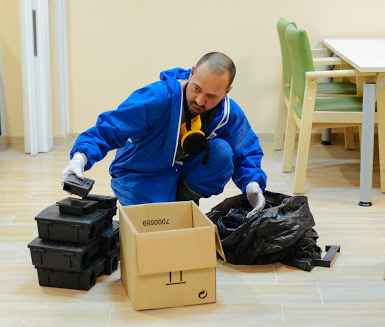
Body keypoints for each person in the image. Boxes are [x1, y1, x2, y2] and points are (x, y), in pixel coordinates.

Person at [61, 52, 267, 218]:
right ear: (192, 73)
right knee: (157, 229)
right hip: (141, 174)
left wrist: (252, 184)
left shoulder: (228, 113)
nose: (200, 101)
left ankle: (183, 200)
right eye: (197, 88)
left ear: (227, 91)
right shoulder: (157, 99)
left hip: (179, 172)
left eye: (212, 96)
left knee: (223, 152)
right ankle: (166, 206)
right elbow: (111, 127)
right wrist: (80, 157)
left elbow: (245, 150)